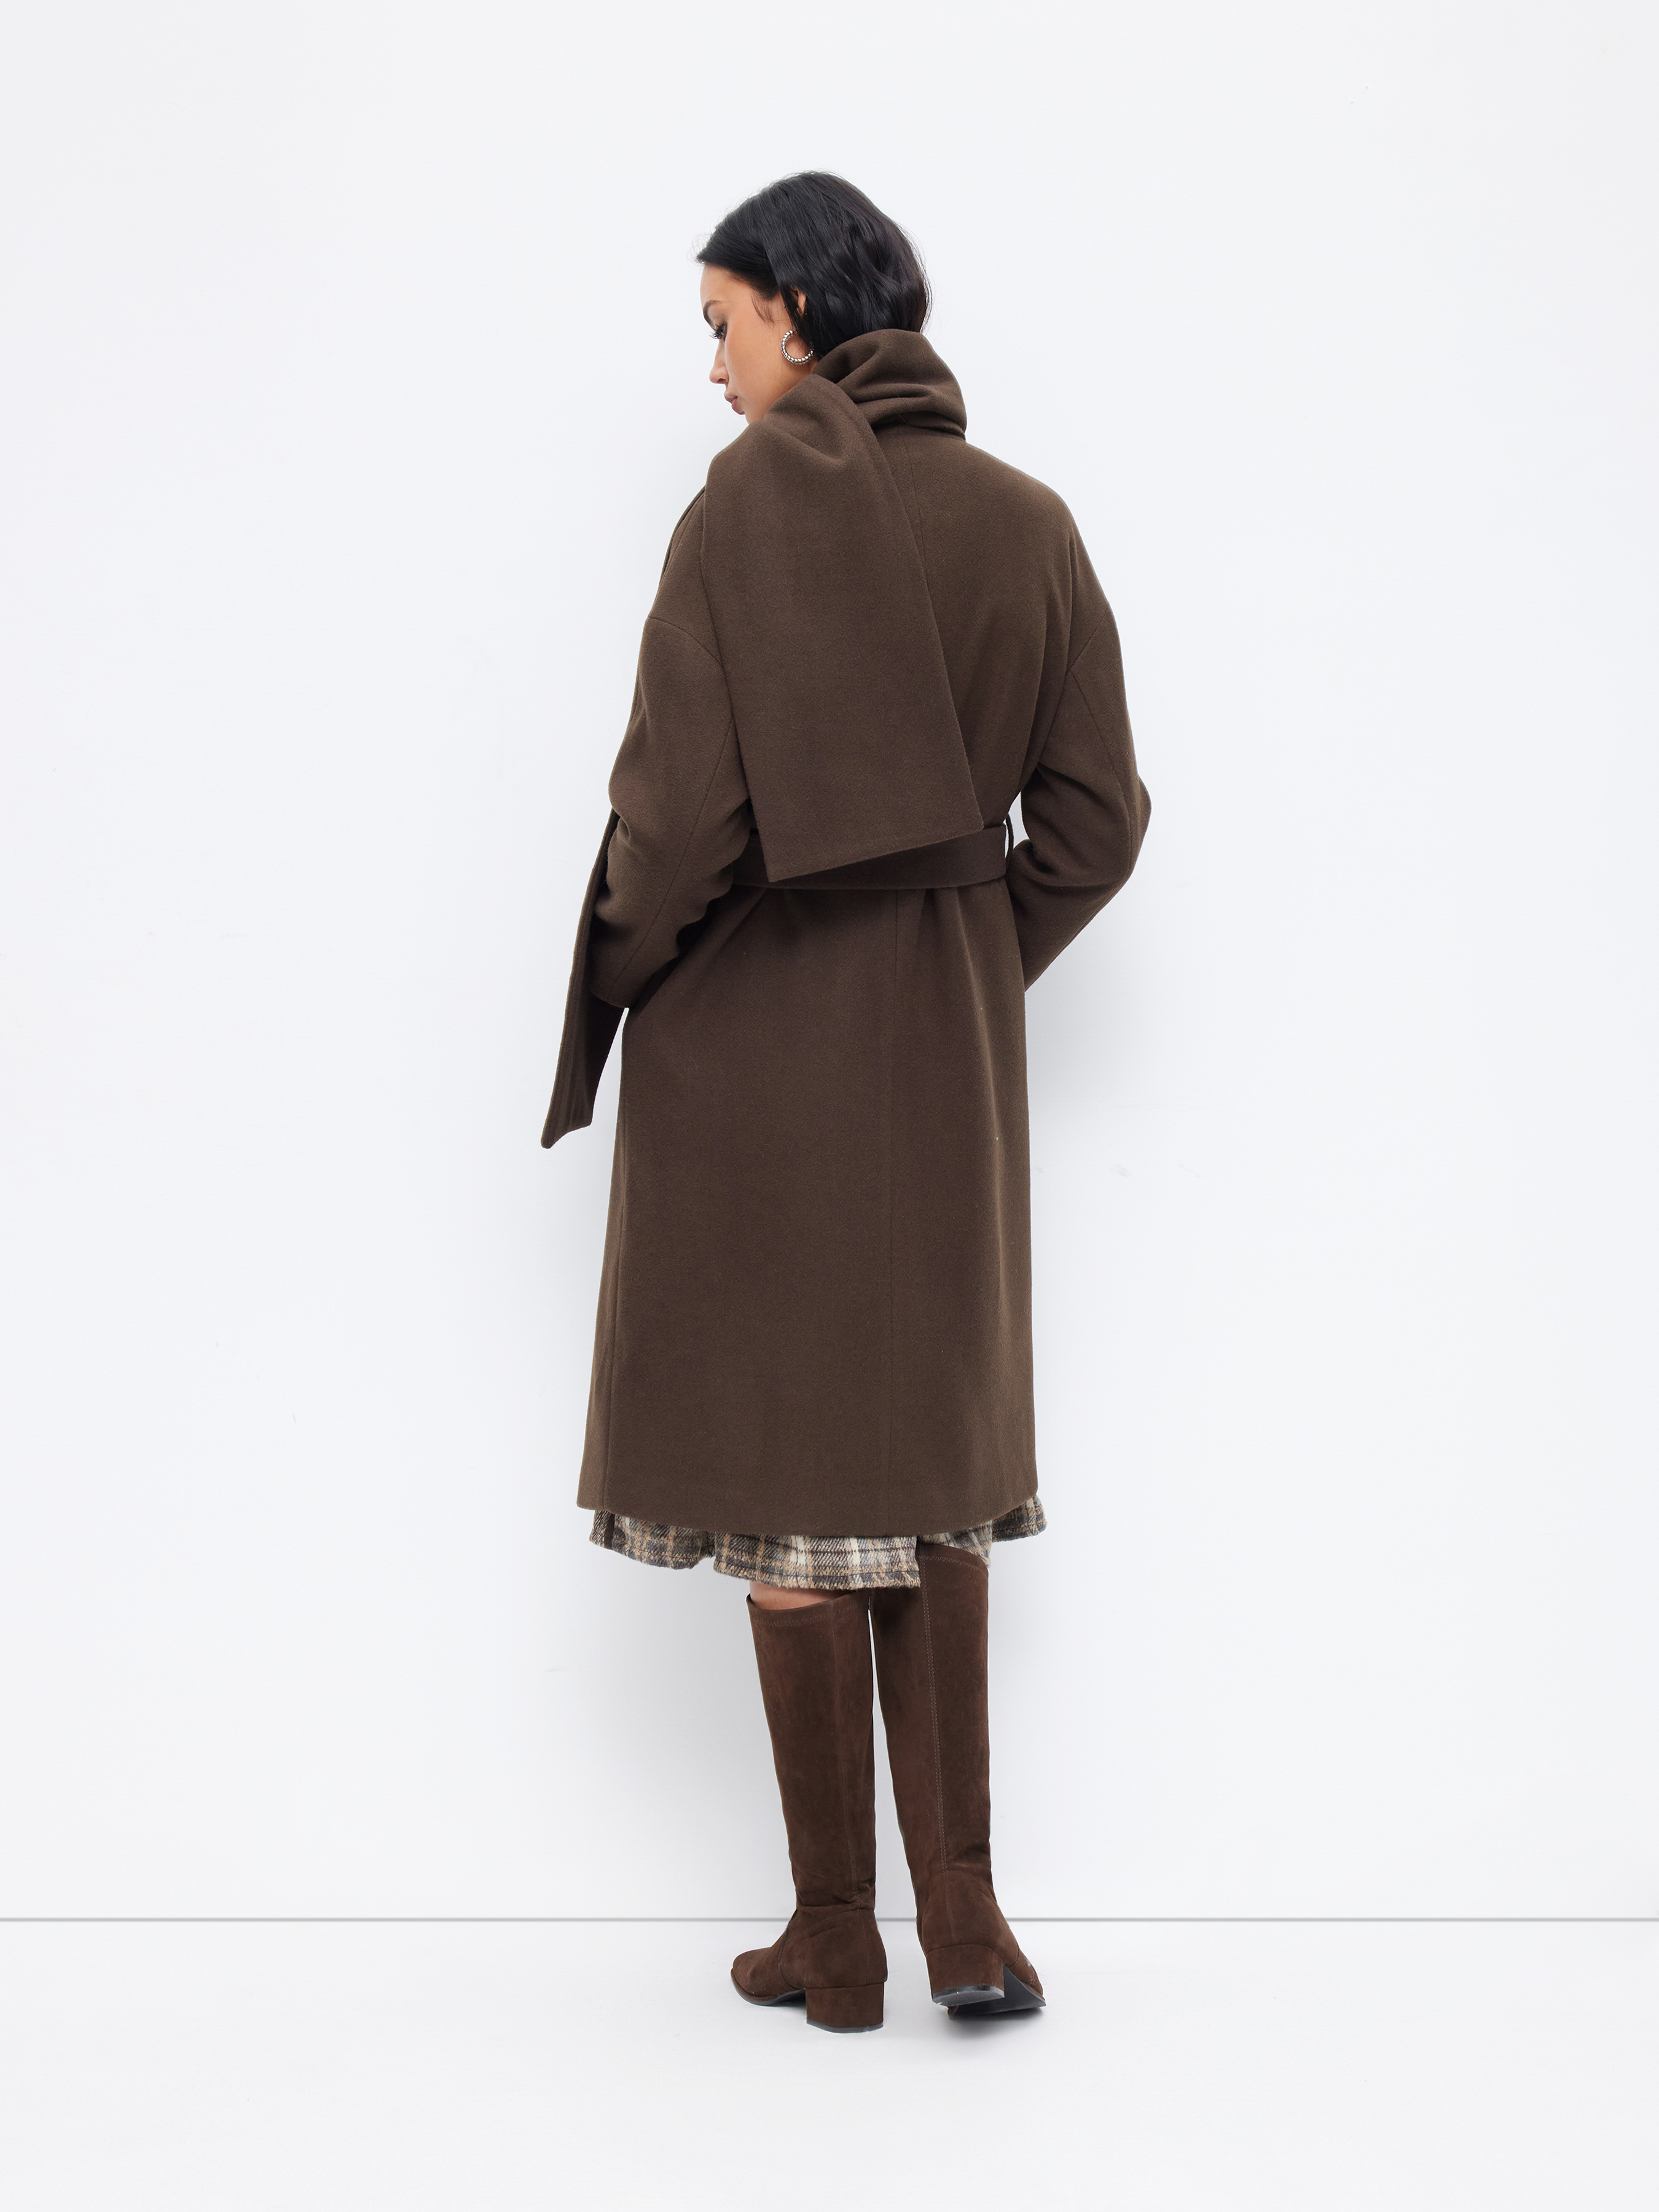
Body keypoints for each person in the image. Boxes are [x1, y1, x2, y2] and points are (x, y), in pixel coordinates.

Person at [542, 173, 1149, 2033]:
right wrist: (961, 957)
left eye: (723, 321)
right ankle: (964, 1914)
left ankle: (833, 1936)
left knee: (782, 1477)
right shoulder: (1029, 524)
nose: (716, 366)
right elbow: (1098, 823)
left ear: (799, 314)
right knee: (925, 1459)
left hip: (755, 1056)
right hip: (938, 1064)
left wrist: (621, 967)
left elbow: (673, 829)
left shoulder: (741, 508)